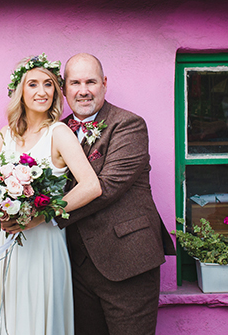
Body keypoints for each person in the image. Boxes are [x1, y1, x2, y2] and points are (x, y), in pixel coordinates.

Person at [0, 54, 101, 335]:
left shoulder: (58, 133)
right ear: (20, 92)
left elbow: (91, 186)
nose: (42, 91)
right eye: (33, 84)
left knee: (37, 316)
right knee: (6, 314)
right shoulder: (5, 134)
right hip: (5, 239)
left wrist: (38, 216)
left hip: (43, 241)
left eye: (48, 85)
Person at [57, 53, 175, 335]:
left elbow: (107, 187)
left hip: (128, 261)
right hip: (76, 265)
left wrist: (44, 216)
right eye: (75, 82)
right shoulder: (56, 132)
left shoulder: (128, 124)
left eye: (91, 81)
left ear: (104, 84)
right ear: (64, 89)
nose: (83, 90)